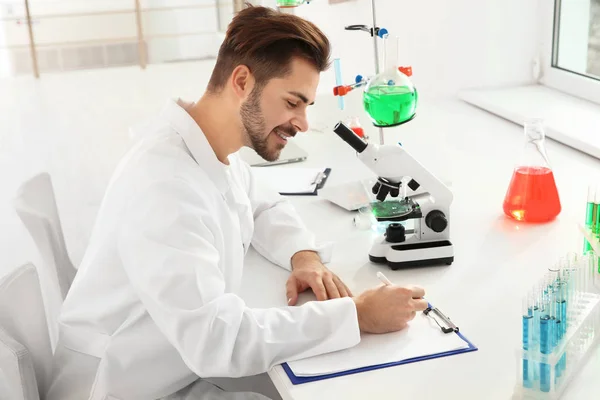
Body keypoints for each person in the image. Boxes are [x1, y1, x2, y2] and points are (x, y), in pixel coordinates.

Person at [46, 5, 428, 400]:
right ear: (242, 81)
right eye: (293, 102)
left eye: (306, 106)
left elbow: (263, 204)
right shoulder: (165, 186)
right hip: (118, 385)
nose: (302, 123)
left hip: (168, 364)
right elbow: (217, 341)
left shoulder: (206, 147)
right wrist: (357, 315)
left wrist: (304, 256)